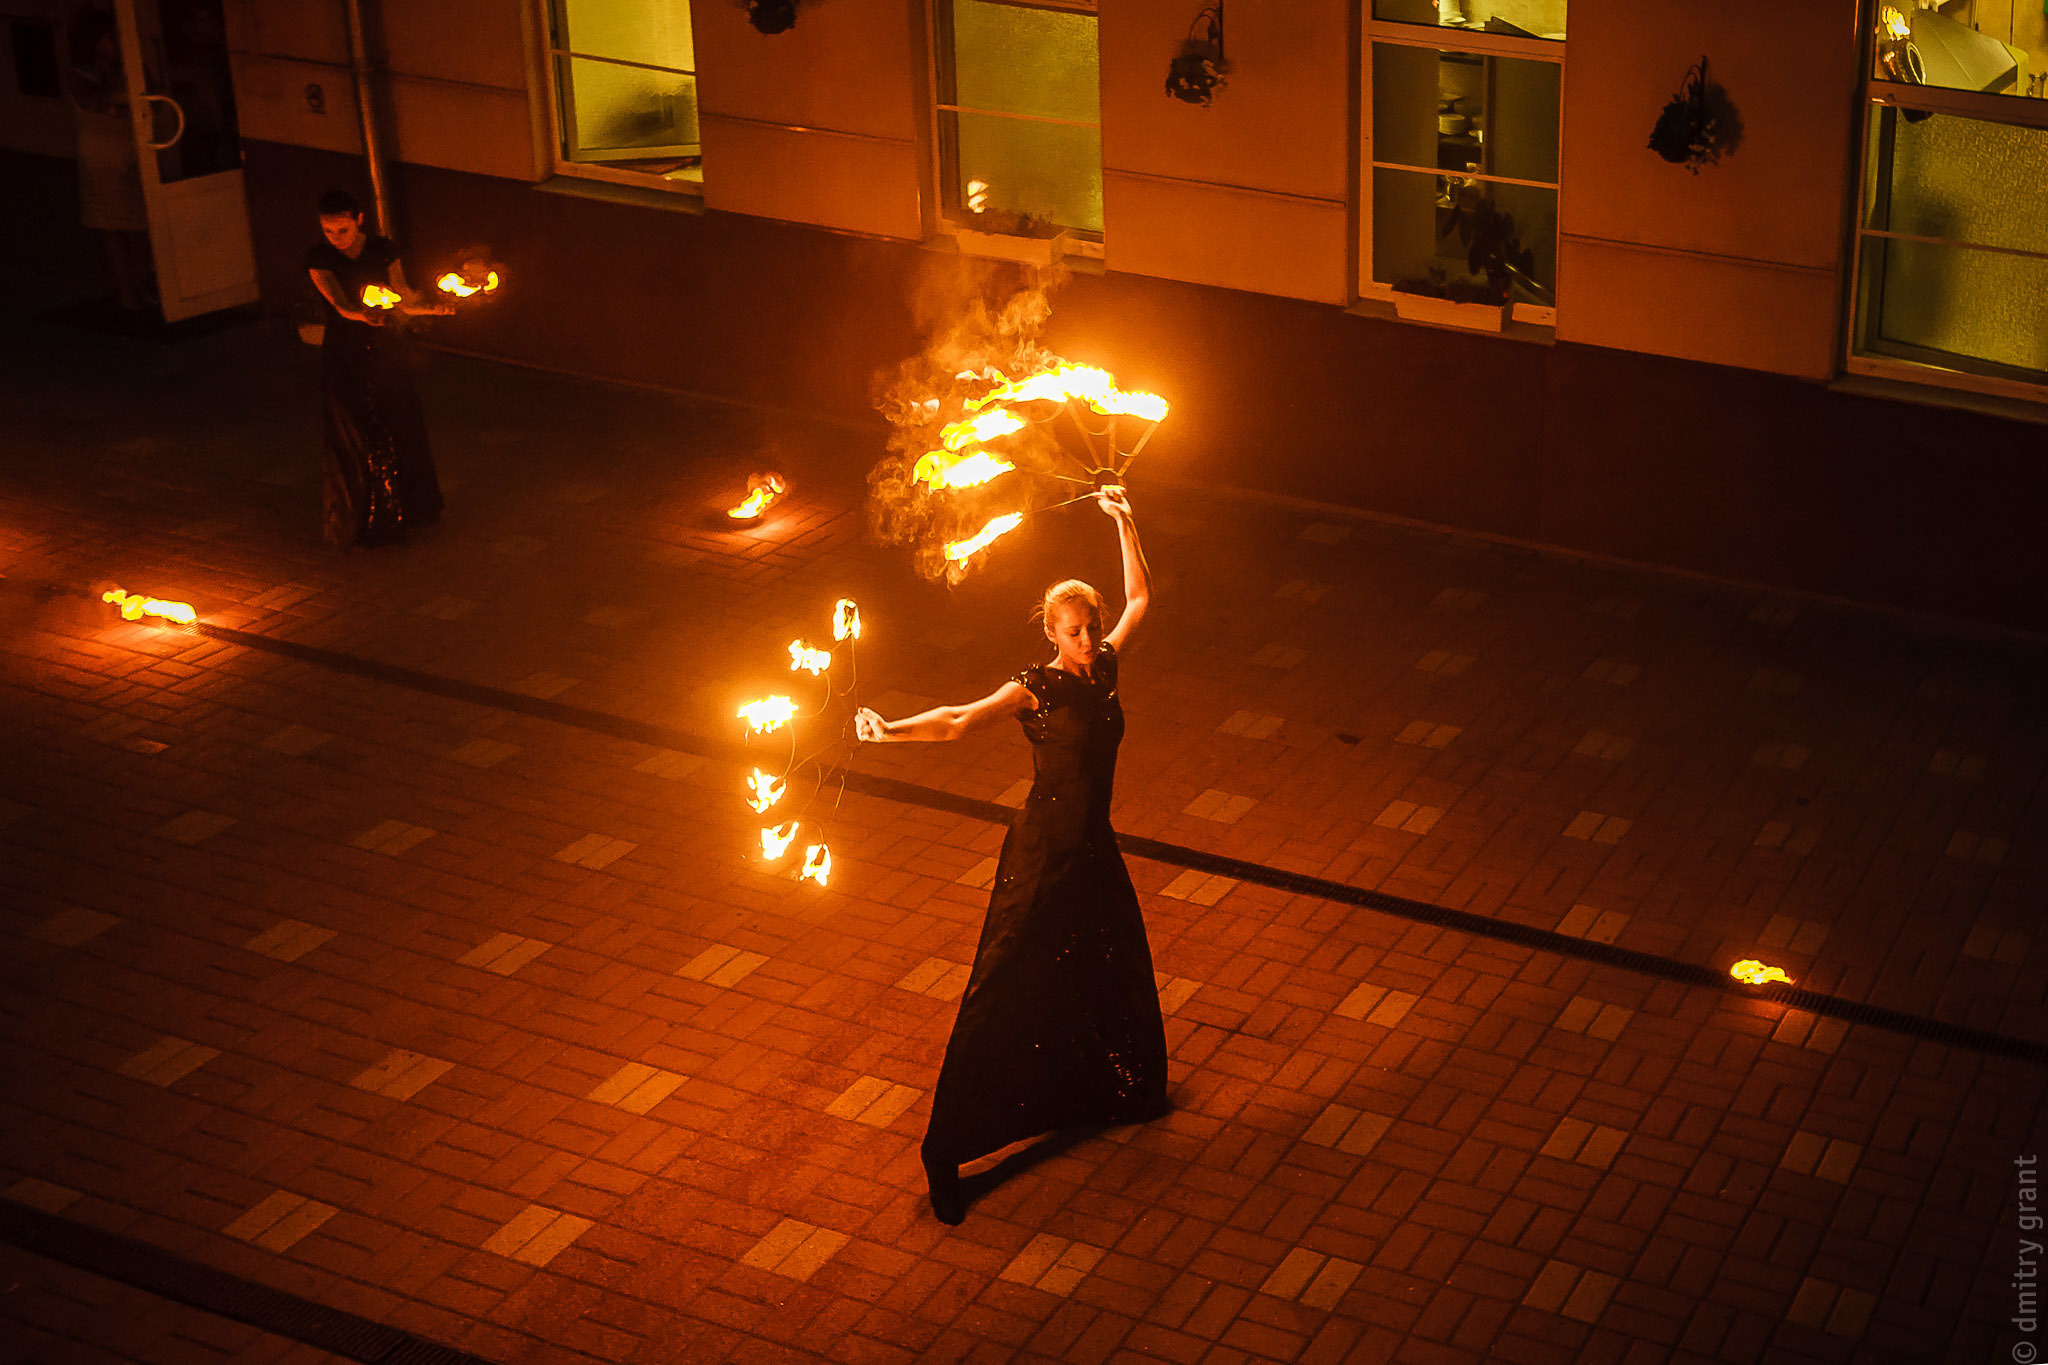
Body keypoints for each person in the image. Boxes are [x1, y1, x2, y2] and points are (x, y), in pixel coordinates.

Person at [856, 488, 1169, 1224]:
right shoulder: (1039, 688)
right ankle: (946, 1154)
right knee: (1003, 985)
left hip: (1093, 849)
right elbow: (962, 719)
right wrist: (891, 731)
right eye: (1074, 632)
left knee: (1111, 963)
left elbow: (1144, 594)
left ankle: (1109, 1089)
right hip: (1041, 854)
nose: (1088, 640)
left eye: (1092, 628)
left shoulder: (1105, 671)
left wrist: (1125, 517)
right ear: (1051, 633)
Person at [305, 190, 450, 548]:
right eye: (328, 230)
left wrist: (433, 308)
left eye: (342, 229)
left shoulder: (382, 250)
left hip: (386, 351)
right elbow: (340, 305)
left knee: (400, 423)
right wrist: (365, 315)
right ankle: (367, 519)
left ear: (359, 220)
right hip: (346, 354)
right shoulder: (320, 259)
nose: (335, 238)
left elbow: (402, 295)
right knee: (360, 432)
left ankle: (411, 509)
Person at [62, 3, 152, 311]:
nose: (116, 42)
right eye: (110, 37)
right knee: (113, 229)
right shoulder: (81, 76)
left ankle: (137, 284)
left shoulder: (123, 70)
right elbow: (97, 104)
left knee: (140, 225)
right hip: (101, 163)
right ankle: (127, 289)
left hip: (128, 156)